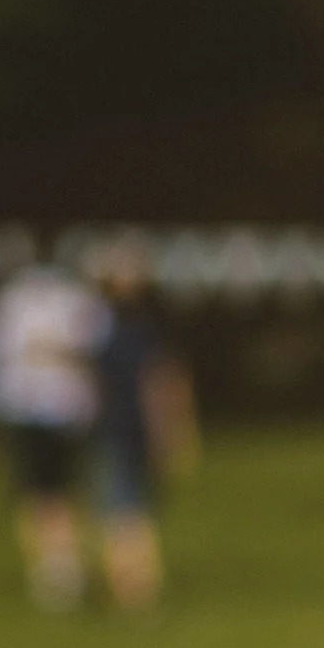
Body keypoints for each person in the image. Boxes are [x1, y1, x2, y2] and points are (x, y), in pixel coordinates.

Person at [0, 259, 108, 611]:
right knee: (46, 493)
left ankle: (63, 566)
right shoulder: (8, 307)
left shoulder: (68, 303)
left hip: (59, 410)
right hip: (32, 409)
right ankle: (59, 565)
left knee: (52, 493)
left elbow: (97, 352)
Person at [84, 238, 195, 613]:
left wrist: (167, 430)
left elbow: (159, 383)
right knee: (131, 507)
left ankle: (133, 585)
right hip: (124, 425)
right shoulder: (126, 326)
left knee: (123, 509)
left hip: (124, 427)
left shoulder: (121, 329)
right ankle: (133, 582)